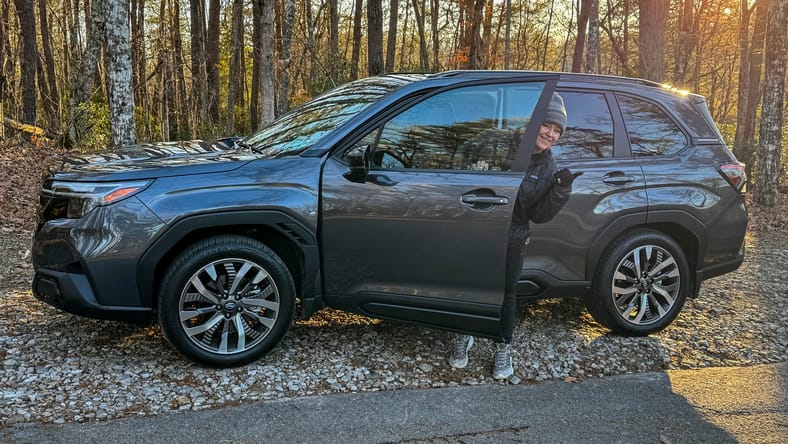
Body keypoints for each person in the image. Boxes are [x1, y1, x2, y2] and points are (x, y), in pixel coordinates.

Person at [449, 92, 582, 380]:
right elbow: (464, 153)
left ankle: (503, 346)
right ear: (534, 122)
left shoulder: (548, 167)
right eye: (547, 125)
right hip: (477, 229)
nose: (550, 134)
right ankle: (464, 334)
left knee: (506, 293)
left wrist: (560, 191)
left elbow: (539, 215)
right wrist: (472, 171)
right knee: (468, 285)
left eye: (557, 130)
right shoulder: (497, 140)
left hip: (513, 235)